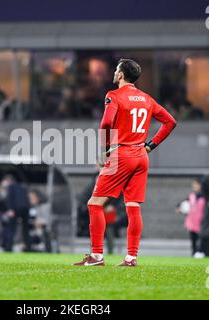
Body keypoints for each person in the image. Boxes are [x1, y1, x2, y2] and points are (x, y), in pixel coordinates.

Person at [73, 58, 177, 267]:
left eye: (116, 70)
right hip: (141, 155)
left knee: (94, 204)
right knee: (132, 207)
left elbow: (106, 122)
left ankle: (96, 256)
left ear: (120, 75)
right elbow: (170, 122)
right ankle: (131, 257)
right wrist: (151, 145)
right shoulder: (146, 98)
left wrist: (104, 150)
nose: (114, 72)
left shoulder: (114, 96)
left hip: (121, 155)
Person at [0, 175, 32, 252]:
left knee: (11, 229)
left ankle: (8, 248)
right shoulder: (22, 187)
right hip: (26, 209)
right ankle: (29, 248)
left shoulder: (10, 187)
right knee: (26, 230)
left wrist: (10, 209)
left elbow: (9, 198)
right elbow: (27, 199)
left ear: (9, 181)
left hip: (15, 209)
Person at [176, 179, 205, 256]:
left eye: (196, 184)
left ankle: (201, 252)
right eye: (193, 184)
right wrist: (179, 208)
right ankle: (194, 252)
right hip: (192, 221)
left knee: (201, 238)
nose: (194, 186)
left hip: (201, 220)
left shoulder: (204, 196)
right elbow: (182, 204)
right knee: (193, 238)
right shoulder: (191, 195)